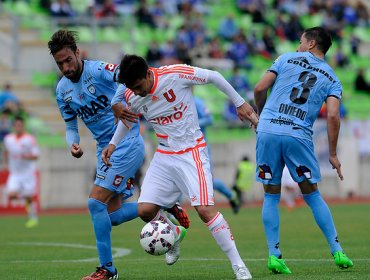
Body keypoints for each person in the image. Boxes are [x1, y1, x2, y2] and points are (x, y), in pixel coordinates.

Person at [48, 30, 189, 280]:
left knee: (94, 203)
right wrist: (74, 144)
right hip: (105, 150)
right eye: (60, 63)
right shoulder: (62, 91)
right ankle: (163, 206)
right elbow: (71, 127)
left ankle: (108, 270)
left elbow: (128, 79)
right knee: (110, 216)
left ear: (77, 53)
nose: (65, 67)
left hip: (127, 141)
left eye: (68, 60)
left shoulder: (99, 70)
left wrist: (119, 103)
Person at [104, 54, 259, 280]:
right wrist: (113, 143)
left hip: (191, 151)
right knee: (145, 210)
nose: (137, 93)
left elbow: (214, 76)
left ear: (148, 73)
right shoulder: (132, 94)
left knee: (205, 210)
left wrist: (240, 103)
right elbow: (129, 118)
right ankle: (174, 232)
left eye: (138, 87)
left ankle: (239, 266)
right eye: (132, 89)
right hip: (165, 154)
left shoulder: (174, 75)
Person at [254, 26, 353, 275]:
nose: (298, 46)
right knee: (312, 195)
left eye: (300, 42)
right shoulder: (332, 78)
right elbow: (332, 116)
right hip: (298, 135)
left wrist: (262, 115)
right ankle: (338, 251)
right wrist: (332, 154)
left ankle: (274, 255)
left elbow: (259, 88)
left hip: (268, 131)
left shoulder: (286, 58)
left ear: (310, 44)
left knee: (271, 195)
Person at [3, 116, 39, 228]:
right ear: (14, 126)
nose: (19, 127)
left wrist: (27, 156)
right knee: (11, 195)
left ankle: (33, 218)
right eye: (17, 125)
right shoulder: (8, 139)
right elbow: (6, 152)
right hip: (15, 173)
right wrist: (5, 164)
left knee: (28, 197)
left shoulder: (30, 139)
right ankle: (27, 198)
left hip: (28, 173)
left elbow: (35, 156)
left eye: (21, 125)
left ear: (23, 126)